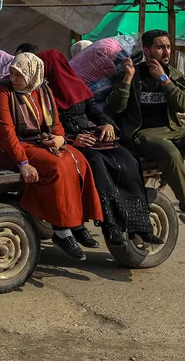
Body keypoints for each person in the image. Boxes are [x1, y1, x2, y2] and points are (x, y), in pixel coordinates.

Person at [107, 29, 185, 239]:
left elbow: (183, 104)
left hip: (174, 129)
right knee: (169, 152)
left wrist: (163, 79)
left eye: (168, 46)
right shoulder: (132, 73)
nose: (166, 51)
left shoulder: (174, 75)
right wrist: (127, 79)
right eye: (160, 47)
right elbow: (115, 108)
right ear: (147, 50)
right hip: (142, 132)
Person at [38, 50, 162, 247]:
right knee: (97, 163)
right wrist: (71, 139)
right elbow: (43, 129)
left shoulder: (76, 85)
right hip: (70, 143)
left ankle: (141, 226)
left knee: (127, 159)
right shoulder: (42, 94)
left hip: (93, 137)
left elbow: (95, 112)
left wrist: (108, 125)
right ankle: (110, 225)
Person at [0, 53, 103, 260]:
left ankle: (76, 223)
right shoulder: (3, 92)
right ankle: (61, 231)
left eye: (18, 75)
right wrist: (22, 163)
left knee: (79, 160)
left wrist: (60, 139)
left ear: (33, 75)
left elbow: (56, 124)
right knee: (57, 166)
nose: (13, 78)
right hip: (9, 149)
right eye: (12, 73)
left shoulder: (43, 90)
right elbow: (6, 133)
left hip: (38, 144)